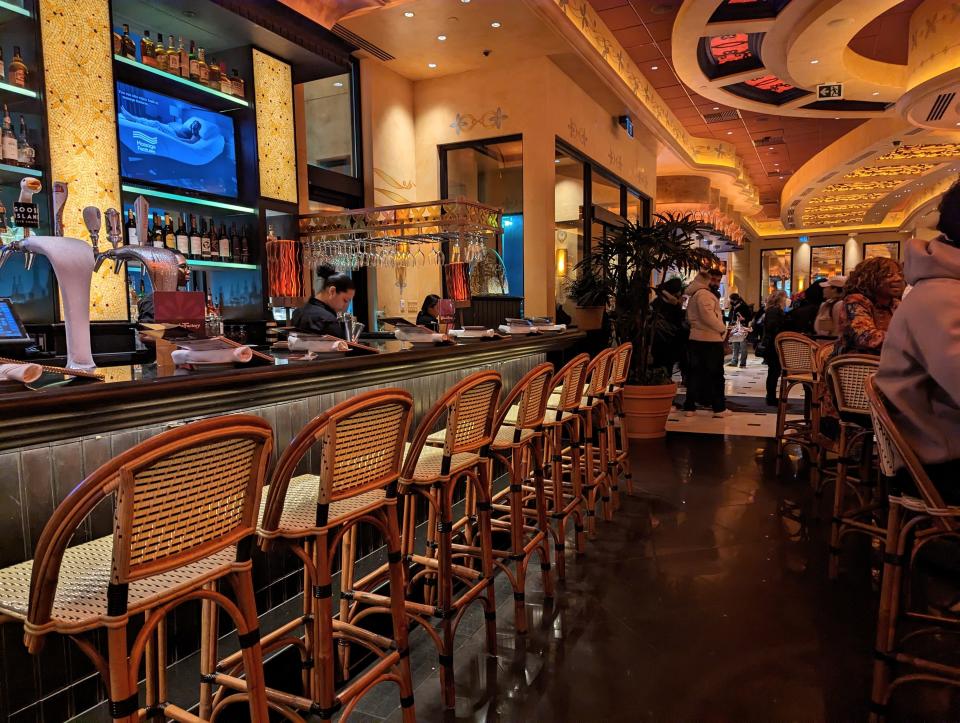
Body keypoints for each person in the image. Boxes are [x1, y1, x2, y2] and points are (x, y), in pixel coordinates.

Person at [876, 184, 960, 499]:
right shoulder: (942, 297)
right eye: (889, 278)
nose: (896, 281)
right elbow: (864, 336)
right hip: (938, 460)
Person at [682, 268, 731, 417]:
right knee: (716, 375)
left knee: (695, 374)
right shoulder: (704, 294)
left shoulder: (698, 294)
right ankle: (719, 408)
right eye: (713, 280)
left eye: (718, 280)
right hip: (709, 339)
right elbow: (708, 316)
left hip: (698, 339)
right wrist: (722, 328)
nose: (716, 283)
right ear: (706, 280)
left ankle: (690, 406)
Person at [835, 257, 904, 355]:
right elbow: (867, 337)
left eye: (900, 274)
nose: (898, 279)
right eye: (889, 275)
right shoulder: (856, 300)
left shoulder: (896, 304)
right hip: (859, 365)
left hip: (889, 362)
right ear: (869, 278)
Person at [291, 265, 356, 339]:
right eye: (345, 300)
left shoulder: (297, 313)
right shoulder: (327, 320)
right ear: (332, 291)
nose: (346, 306)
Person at [650, 277, 688, 381]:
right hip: (667, 340)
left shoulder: (657, 301)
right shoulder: (671, 304)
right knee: (667, 362)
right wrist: (677, 305)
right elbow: (678, 320)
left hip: (660, 340)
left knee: (662, 362)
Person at [137, 253, 189, 323]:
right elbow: (148, 331)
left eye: (188, 267)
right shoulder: (151, 301)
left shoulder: (184, 298)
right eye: (183, 267)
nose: (188, 271)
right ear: (167, 269)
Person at [760, 289, 788, 406]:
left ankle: (771, 397)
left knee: (773, 372)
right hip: (773, 346)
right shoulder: (774, 311)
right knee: (774, 372)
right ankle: (771, 398)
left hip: (772, 345)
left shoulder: (771, 310)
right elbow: (773, 327)